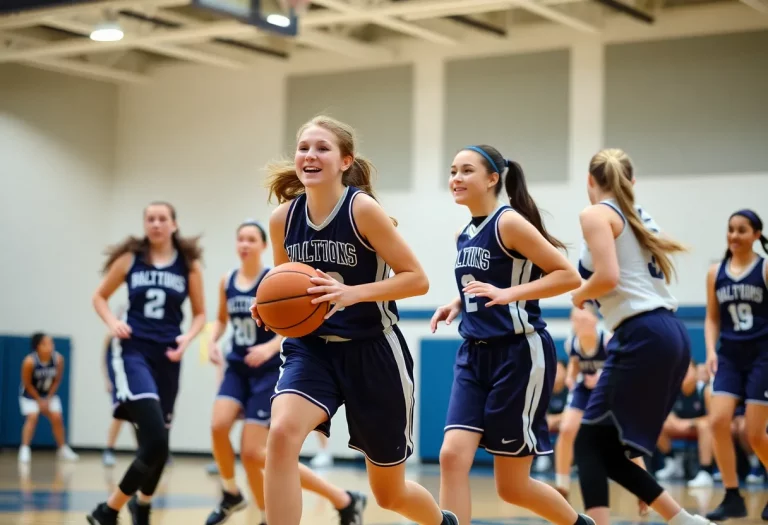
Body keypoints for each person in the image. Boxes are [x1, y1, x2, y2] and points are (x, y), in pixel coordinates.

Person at [252, 115, 457, 525]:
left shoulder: (362, 210)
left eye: (322, 148)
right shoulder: (282, 220)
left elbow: (417, 279)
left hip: (373, 350)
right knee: (280, 436)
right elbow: (282, 285)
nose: (310, 155)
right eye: (304, 147)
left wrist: (352, 294)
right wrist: (271, 309)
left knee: (390, 494)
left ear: (345, 161)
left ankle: (442, 522)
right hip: (311, 350)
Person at [430, 144, 590, 525]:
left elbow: (567, 275)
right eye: (453, 171)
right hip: (473, 354)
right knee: (451, 456)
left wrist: (508, 295)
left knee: (511, 487)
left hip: (519, 355)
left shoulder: (510, 222)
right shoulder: (463, 233)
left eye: (466, 171)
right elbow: (487, 279)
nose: (456, 178)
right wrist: (458, 302)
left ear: (492, 179)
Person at [570, 148, 713, 525]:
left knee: (588, 443)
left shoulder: (595, 213)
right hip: (669, 333)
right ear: (632, 183)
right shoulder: (639, 217)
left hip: (642, 333)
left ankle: (676, 520)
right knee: (606, 445)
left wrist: (578, 293)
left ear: (589, 180)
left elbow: (608, 278)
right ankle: (683, 520)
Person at [206, 219, 364, 525]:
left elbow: (297, 321)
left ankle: (330, 501)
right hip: (237, 367)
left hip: (267, 370)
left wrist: (270, 346)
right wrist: (213, 341)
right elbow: (222, 320)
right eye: (240, 239)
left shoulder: (274, 278)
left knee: (254, 453)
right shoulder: (226, 281)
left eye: (251, 239)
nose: (244, 244)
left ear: (264, 245)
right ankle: (230, 492)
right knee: (217, 425)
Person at [87, 201, 206, 525]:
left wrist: (188, 338)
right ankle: (108, 510)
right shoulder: (131, 259)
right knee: (154, 439)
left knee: (159, 447)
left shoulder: (188, 265)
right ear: (145, 224)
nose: (155, 224)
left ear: (174, 224)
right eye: (150, 219)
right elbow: (99, 296)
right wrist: (113, 322)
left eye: (162, 218)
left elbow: (200, 313)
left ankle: (143, 505)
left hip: (168, 355)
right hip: (133, 352)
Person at [704, 209, 768, 520]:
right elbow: (712, 318)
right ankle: (732, 495)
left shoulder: (766, 268)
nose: (734, 236)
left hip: (762, 355)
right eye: (730, 229)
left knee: (755, 435)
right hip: (729, 355)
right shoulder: (716, 272)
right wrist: (710, 352)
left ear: (756, 234)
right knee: (717, 422)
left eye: (742, 230)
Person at [553, 305, 609, 499]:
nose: (578, 322)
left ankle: (644, 486)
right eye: (575, 320)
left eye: (582, 318)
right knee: (567, 429)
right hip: (584, 389)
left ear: (594, 319)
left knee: (624, 436)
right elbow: (575, 365)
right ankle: (562, 486)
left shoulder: (607, 339)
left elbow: (620, 366)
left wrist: (602, 376)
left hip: (609, 389)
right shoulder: (572, 343)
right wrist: (570, 377)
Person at [18, 332, 79, 464]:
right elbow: (27, 384)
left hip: (48, 395)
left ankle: (63, 448)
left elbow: (57, 380)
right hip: (30, 395)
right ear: (38, 347)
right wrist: (39, 400)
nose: (51, 346)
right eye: (46, 344)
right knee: (32, 417)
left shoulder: (58, 359)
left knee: (57, 417)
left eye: (52, 343)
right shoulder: (29, 362)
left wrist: (48, 398)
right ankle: (24, 448)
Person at [654, 360, 714, 488]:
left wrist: (691, 422)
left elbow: (713, 418)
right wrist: (676, 422)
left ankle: (705, 471)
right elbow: (665, 414)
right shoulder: (672, 390)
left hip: (700, 429)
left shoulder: (705, 390)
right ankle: (672, 463)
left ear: (696, 373)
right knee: (655, 424)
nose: (683, 373)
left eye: (687, 370)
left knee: (706, 426)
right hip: (680, 427)